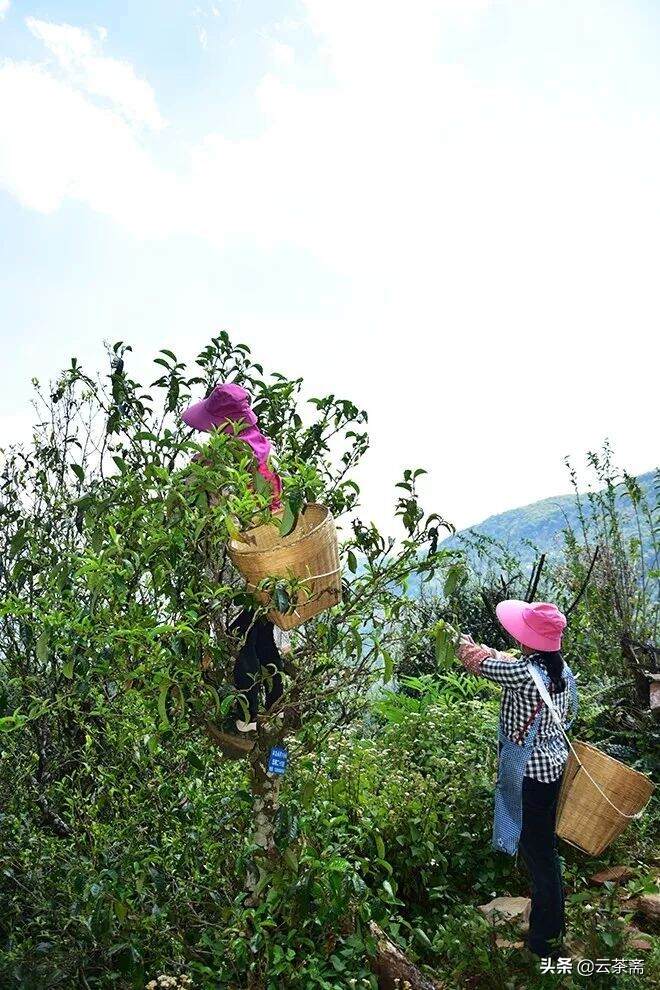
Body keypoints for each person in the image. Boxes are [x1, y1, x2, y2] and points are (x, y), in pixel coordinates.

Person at [457, 600, 577, 960]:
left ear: (528, 639)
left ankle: (545, 942)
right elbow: (508, 662)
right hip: (551, 769)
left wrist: (465, 647)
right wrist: (489, 652)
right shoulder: (558, 670)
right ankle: (550, 925)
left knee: (539, 854)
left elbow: (485, 665)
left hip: (530, 774)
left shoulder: (524, 676)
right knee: (543, 851)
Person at [182, 382, 288, 742]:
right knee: (262, 634)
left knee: (241, 641)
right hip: (267, 563)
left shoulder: (227, 462)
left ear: (224, 425)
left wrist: (199, 479)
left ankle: (246, 723)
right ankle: (279, 706)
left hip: (237, 569)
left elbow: (214, 513)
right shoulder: (261, 450)